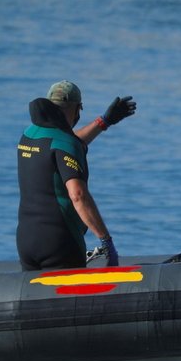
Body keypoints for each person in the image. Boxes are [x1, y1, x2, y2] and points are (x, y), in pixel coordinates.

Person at [16, 81, 133, 271]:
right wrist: (106, 241)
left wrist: (104, 122)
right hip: (59, 242)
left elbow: (65, 146)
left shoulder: (29, 135)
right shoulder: (65, 143)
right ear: (77, 108)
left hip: (26, 241)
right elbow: (77, 195)